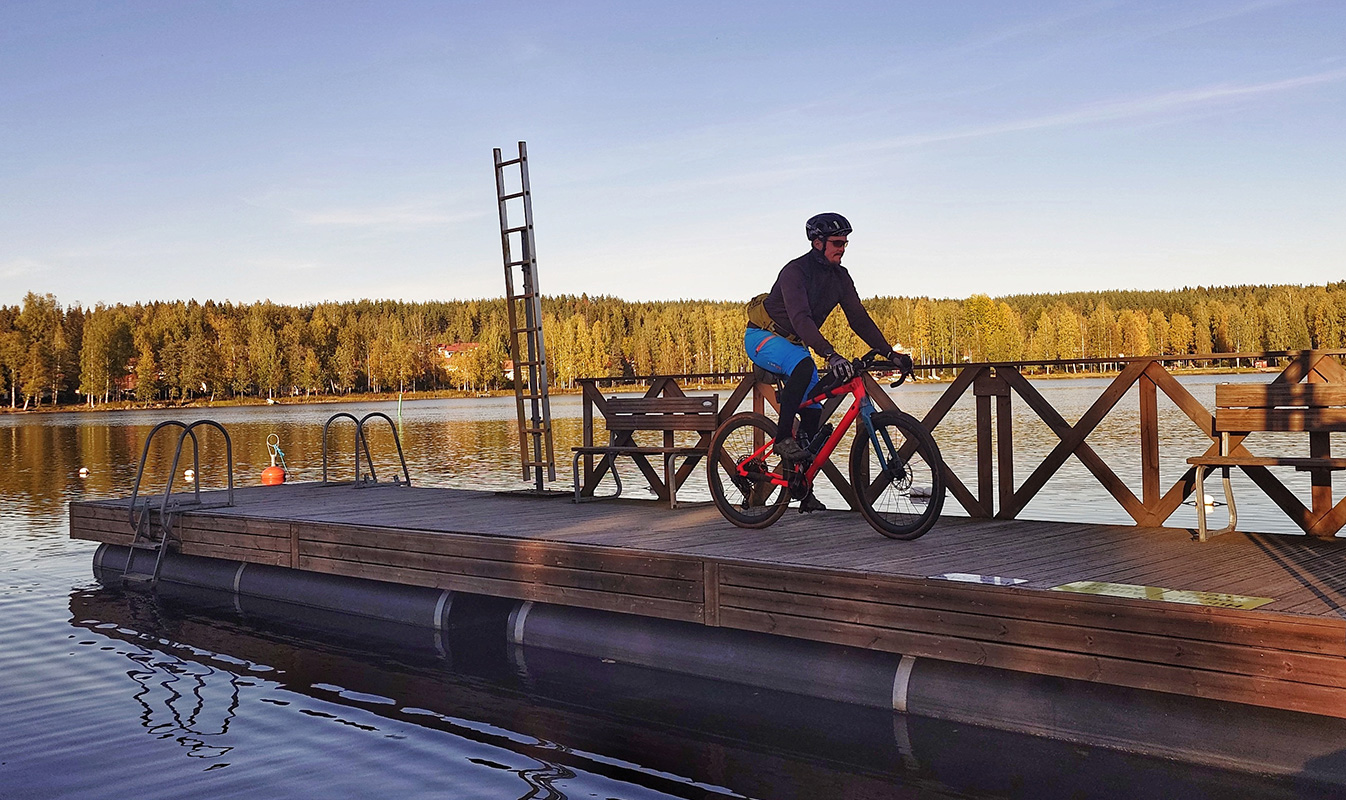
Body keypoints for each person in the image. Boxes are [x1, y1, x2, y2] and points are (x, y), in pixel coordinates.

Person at [744, 213, 913, 476]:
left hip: (793, 343)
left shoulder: (841, 277)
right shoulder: (795, 272)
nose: (842, 248)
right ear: (817, 243)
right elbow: (800, 318)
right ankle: (781, 440)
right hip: (763, 337)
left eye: (845, 243)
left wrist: (890, 353)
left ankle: (801, 482)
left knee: (813, 410)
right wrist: (830, 355)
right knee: (802, 367)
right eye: (837, 243)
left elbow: (859, 319)